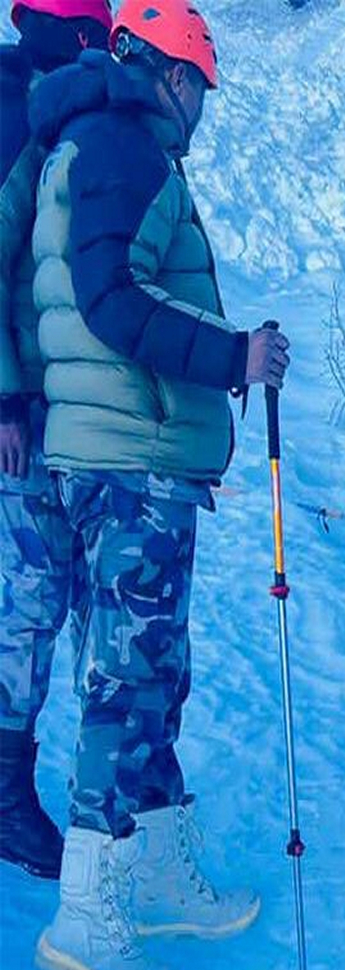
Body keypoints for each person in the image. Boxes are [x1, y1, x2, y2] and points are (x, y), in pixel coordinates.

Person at [26, 1, 291, 970]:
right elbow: (113, 300)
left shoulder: (104, 140)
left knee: (153, 672)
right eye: (201, 90)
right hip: (124, 461)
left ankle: (163, 870)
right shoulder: (123, 144)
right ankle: (87, 915)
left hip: (131, 458)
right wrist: (234, 357)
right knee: (128, 681)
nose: (202, 111)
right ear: (173, 76)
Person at [0, 0, 112, 878]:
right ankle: (6, 799)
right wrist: (4, 399)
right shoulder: (16, 115)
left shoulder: (49, 108)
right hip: (25, 410)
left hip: (63, 402)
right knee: (31, 602)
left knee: (62, 596)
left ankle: (103, 793)